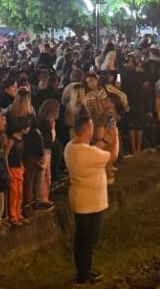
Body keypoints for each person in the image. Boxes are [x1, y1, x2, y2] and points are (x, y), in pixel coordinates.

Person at [64, 114, 119, 286]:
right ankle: (83, 275)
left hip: (78, 199)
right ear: (87, 129)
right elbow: (112, 156)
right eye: (92, 126)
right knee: (88, 240)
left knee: (81, 238)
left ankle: (84, 269)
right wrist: (115, 136)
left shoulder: (70, 147)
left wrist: (103, 139)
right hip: (91, 203)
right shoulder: (88, 153)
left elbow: (95, 150)